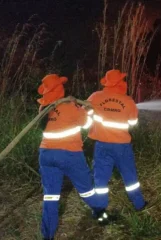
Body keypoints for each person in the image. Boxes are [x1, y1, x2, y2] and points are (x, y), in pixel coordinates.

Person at [37, 74, 104, 240]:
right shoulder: (71, 107)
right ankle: (100, 212)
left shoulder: (44, 109)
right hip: (69, 154)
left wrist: (73, 104)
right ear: (60, 88)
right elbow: (87, 124)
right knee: (86, 190)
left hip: (46, 155)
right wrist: (85, 109)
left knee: (50, 196)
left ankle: (48, 235)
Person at [87, 69, 147, 223]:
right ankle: (139, 204)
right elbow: (133, 123)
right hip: (122, 146)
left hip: (101, 145)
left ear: (106, 82)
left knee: (100, 179)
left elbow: (84, 115)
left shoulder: (95, 97)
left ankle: (99, 211)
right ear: (120, 83)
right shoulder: (128, 101)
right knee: (130, 176)